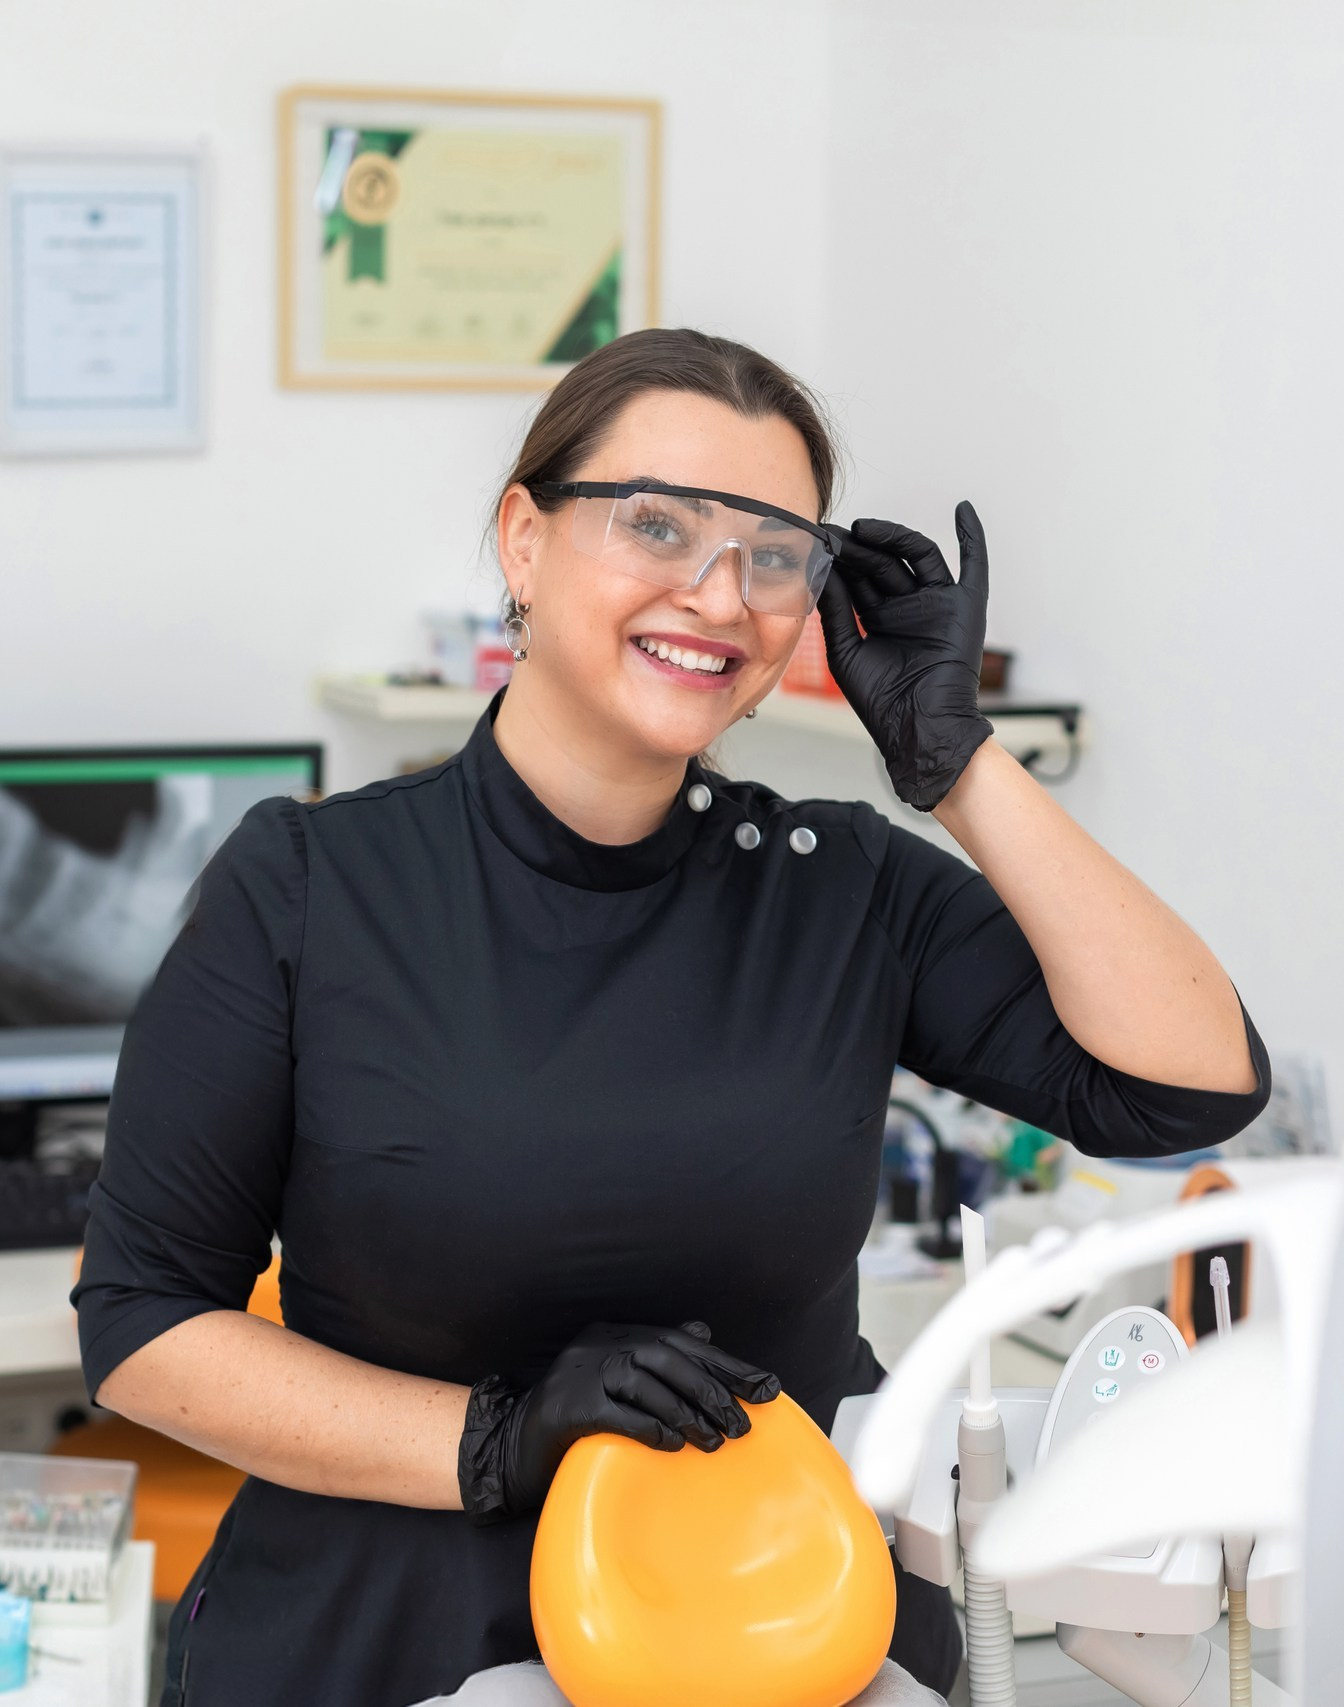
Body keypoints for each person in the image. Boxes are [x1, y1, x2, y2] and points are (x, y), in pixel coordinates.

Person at [74, 328, 1270, 1707]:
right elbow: (145, 1328)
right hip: (390, 1633)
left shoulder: (839, 890)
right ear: (523, 541)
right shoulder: (311, 887)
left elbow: (1188, 1087)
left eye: (775, 554)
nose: (719, 595)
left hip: (777, 1629)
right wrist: (500, 1439)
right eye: (656, 526)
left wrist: (957, 763)